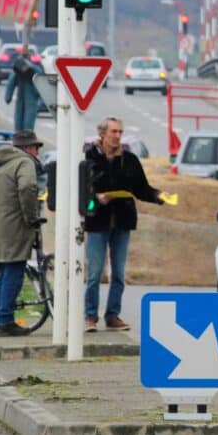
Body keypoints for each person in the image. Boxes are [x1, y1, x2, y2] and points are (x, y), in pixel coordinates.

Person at [83, 117, 166, 332]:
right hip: (97, 222)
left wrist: (159, 196)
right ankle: (90, 316)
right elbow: (80, 189)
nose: (118, 136)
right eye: (113, 132)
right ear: (102, 134)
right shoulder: (89, 158)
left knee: (118, 273)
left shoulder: (129, 160)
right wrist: (96, 198)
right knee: (94, 273)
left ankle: (113, 315)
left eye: (120, 132)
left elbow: (141, 188)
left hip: (122, 221)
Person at [0, 130, 43, 337]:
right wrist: (31, 216)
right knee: (14, 272)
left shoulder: (0, 165)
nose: (37, 152)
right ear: (27, 148)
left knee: (3, 273)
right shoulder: (24, 163)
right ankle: (6, 322)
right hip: (16, 224)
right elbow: (27, 187)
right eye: (36, 147)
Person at [5, 48, 42, 131]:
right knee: (19, 119)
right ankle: (20, 136)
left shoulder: (34, 69)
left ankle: (26, 136)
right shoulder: (17, 70)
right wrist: (8, 96)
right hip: (24, 97)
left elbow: (39, 80)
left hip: (30, 98)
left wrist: (8, 97)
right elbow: (11, 82)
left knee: (28, 120)